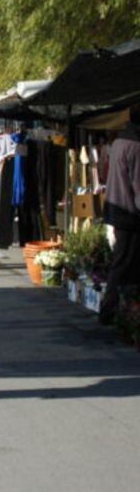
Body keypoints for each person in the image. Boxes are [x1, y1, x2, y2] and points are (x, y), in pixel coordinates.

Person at [99, 104, 140, 326]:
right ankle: (111, 310)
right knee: (124, 263)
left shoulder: (120, 142)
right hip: (129, 214)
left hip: (117, 210)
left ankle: (119, 311)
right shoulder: (135, 145)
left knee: (122, 262)